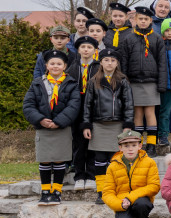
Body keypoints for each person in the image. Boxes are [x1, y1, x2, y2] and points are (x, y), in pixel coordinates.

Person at [23, 50, 81, 206]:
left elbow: (74, 105)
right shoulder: (37, 83)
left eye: (59, 64)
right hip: (43, 128)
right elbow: (28, 105)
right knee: (45, 160)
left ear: (65, 66)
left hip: (62, 127)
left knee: (59, 159)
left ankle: (57, 192)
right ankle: (45, 192)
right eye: (52, 63)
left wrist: (59, 121)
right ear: (46, 66)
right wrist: (41, 120)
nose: (55, 66)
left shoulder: (71, 83)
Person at [82, 48, 134, 205]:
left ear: (117, 63)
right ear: (101, 62)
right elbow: (87, 105)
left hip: (117, 125)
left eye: (113, 60)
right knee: (99, 160)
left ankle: (116, 190)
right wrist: (86, 125)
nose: (109, 63)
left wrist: (128, 125)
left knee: (116, 160)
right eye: (106, 60)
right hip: (99, 125)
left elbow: (129, 104)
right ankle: (102, 192)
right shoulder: (93, 81)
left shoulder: (123, 81)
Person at [121, 6, 167, 156]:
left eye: (146, 19)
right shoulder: (128, 38)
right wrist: (124, 82)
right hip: (134, 82)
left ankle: (151, 145)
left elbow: (162, 62)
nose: (143, 21)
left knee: (150, 113)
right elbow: (124, 62)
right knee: (137, 114)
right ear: (135, 20)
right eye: (140, 18)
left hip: (151, 81)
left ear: (150, 21)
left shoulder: (157, 38)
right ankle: (139, 144)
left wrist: (162, 84)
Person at [102, 129, 160, 218]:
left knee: (142, 204)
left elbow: (154, 186)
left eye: (134, 145)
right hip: (122, 201)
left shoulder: (149, 162)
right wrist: (119, 204)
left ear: (140, 146)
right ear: (120, 148)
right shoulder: (112, 166)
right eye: (126, 146)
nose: (130, 149)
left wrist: (130, 197)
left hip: (141, 199)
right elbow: (107, 193)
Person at [66, 36, 100, 191]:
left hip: (94, 109)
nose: (86, 50)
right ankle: (79, 176)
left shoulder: (99, 68)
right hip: (77, 110)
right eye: (83, 47)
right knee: (78, 144)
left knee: (93, 143)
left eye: (89, 47)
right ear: (78, 50)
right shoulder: (71, 69)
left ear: (94, 50)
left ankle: (91, 175)